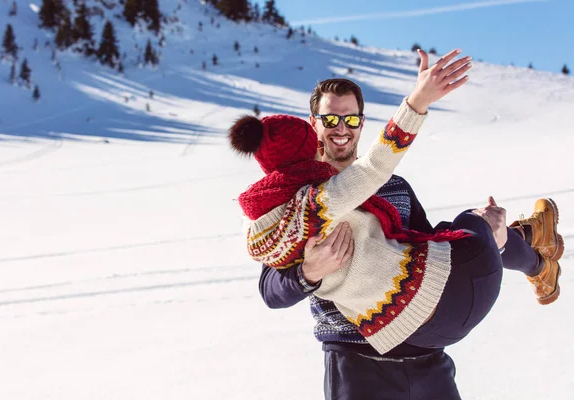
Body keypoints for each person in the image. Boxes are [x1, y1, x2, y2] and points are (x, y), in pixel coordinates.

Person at [234, 50, 564, 399]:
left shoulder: (394, 187)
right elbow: (271, 289)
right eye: (330, 120)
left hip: (425, 352)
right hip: (356, 362)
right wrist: (308, 273)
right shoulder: (294, 201)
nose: (341, 129)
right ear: (312, 122)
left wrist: (486, 229)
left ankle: (538, 259)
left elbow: (426, 244)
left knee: (476, 230)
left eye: (351, 119)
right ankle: (534, 244)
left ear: (362, 122)